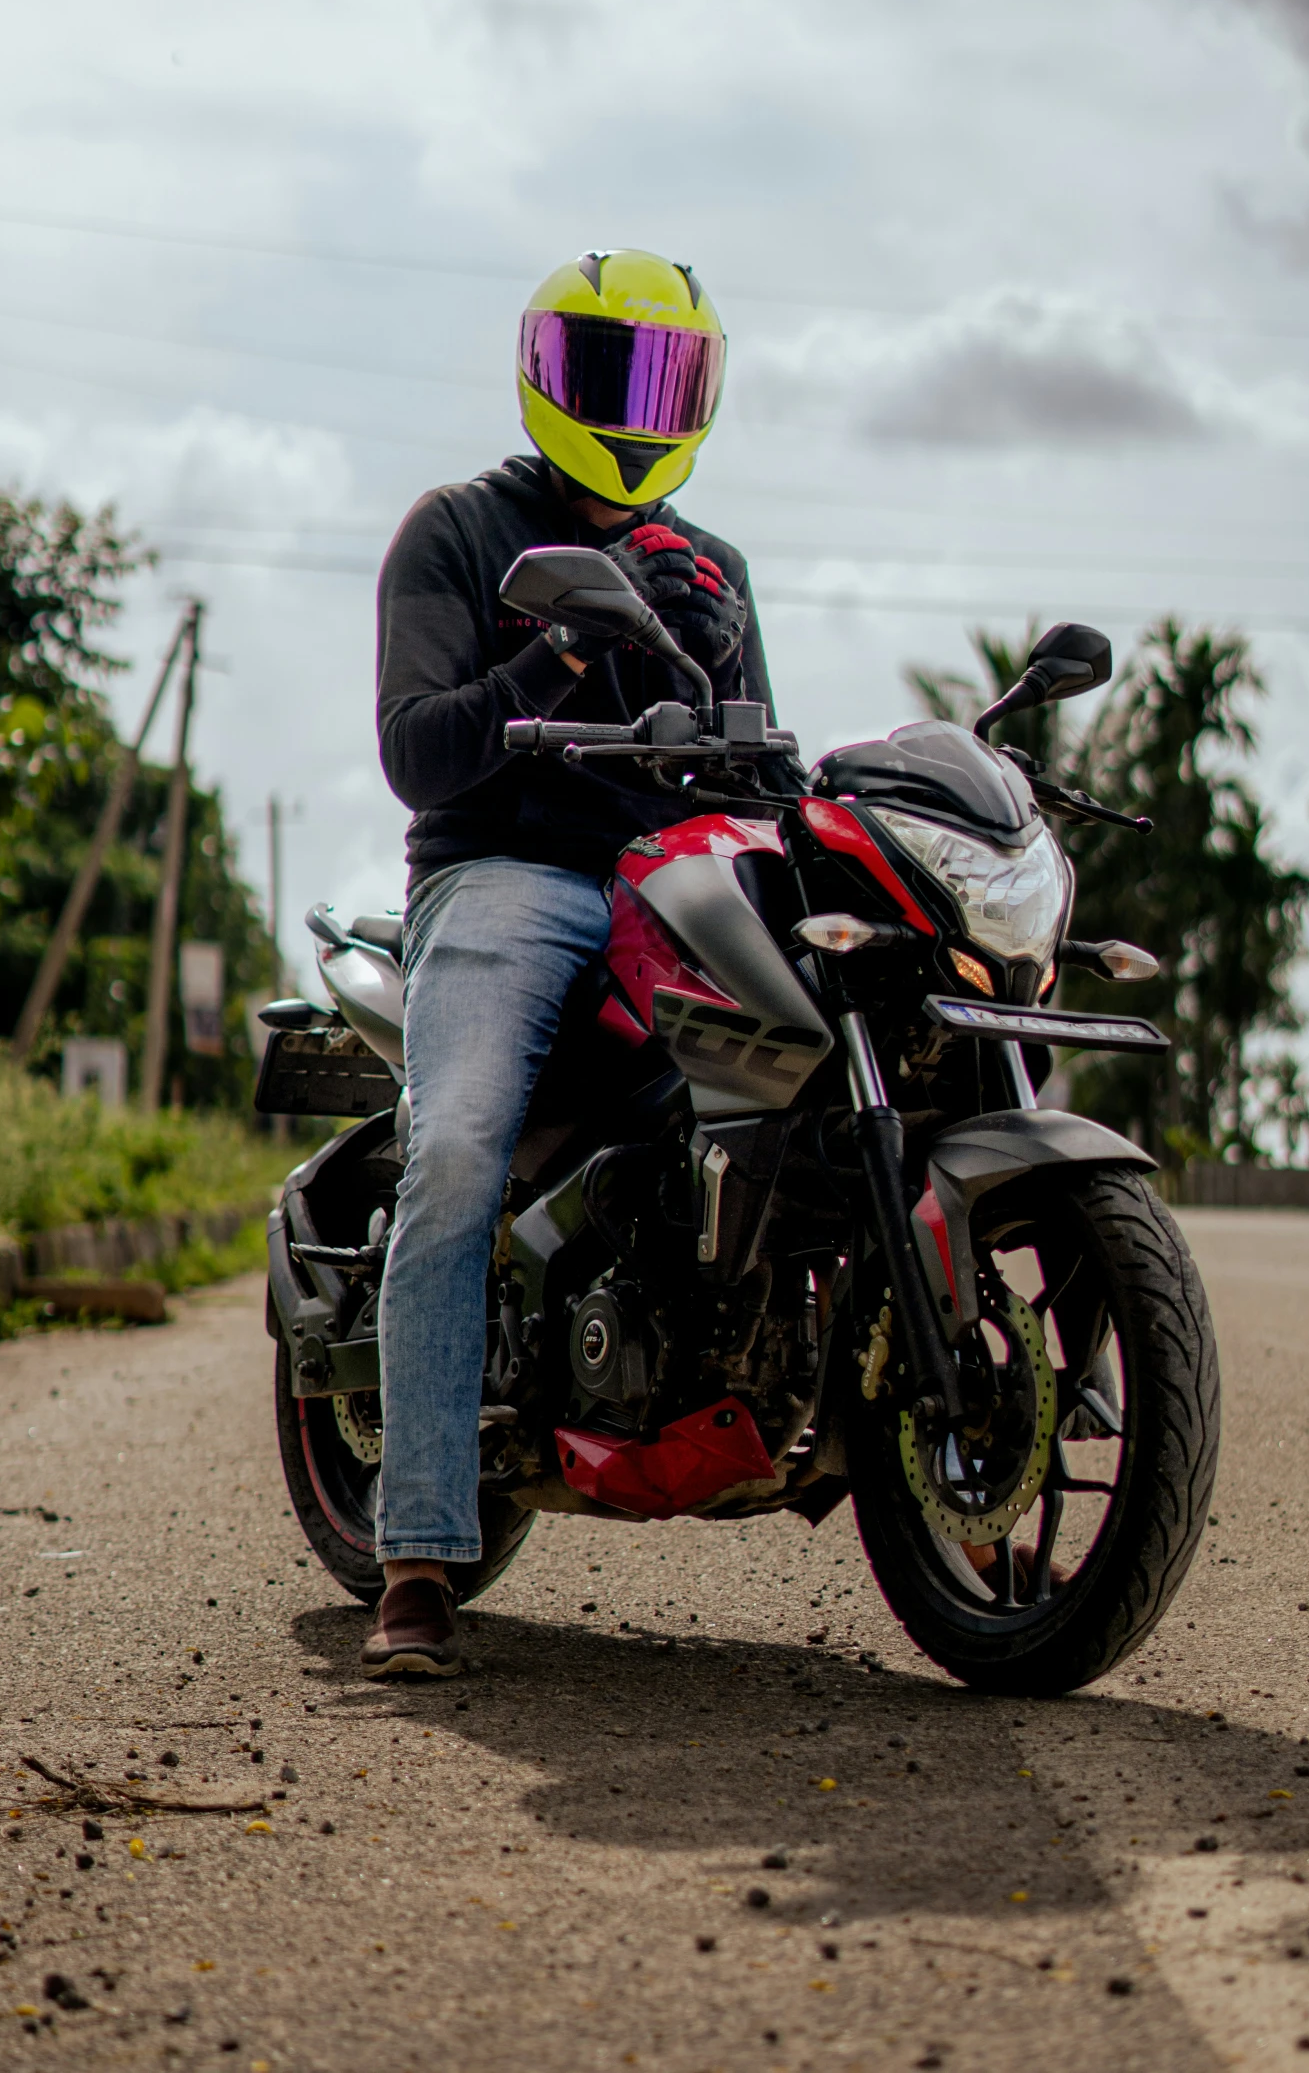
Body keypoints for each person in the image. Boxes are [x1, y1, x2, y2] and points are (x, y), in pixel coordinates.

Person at [361, 248, 775, 1676]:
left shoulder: (709, 565)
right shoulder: (461, 531)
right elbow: (419, 757)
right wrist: (555, 661)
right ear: (545, 373)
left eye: (663, 377)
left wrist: (709, 670)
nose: (636, 406)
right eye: (610, 374)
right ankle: (415, 1551)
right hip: (504, 877)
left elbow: (760, 777)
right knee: (461, 1150)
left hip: (672, 881)